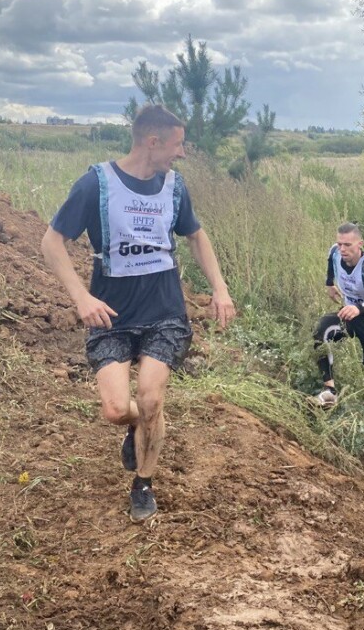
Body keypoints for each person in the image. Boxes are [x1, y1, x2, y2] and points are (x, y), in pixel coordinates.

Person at [41, 105, 235, 522]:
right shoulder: (97, 184)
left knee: (150, 396)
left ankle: (143, 483)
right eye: (178, 144)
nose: (181, 154)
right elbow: (52, 242)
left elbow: (196, 236)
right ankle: (140, 426)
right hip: (111, 313)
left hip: (164, 309)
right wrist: (81, 298)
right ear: (153, 142)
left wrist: (219, 287)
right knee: (117, 409)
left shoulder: (175, 188)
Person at [312, 222, 364, 416]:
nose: (342, 249)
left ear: (360, 244)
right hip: (350, 314)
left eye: (347, 245)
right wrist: (329, 284)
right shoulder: (335, 252)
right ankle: (329, 391)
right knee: (321, 330)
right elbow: (330, 260)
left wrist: (360, 308)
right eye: (340, 243)